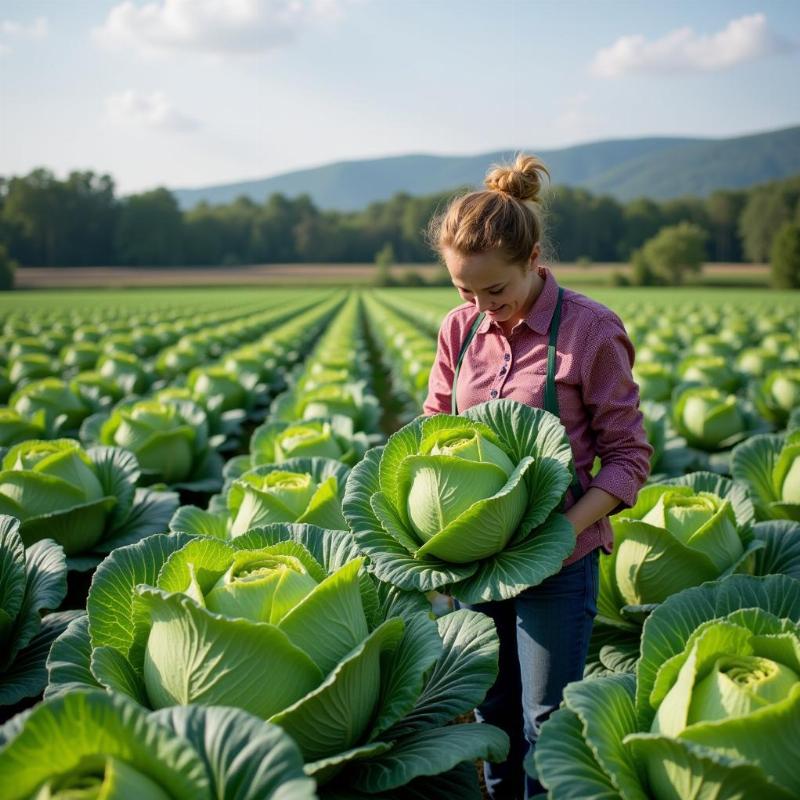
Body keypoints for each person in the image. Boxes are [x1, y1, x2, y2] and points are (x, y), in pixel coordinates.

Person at [423, 153, 652, 800]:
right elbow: (433, 429)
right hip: (479, 557)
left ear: (531, 261)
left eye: (494, 291)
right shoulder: (459, 329)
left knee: (545, 719)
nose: (480, 306)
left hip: (558, 560)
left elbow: (630, 457)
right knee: (493, 716)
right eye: (464, 291)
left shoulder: (590, 329)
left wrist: (559, 535)